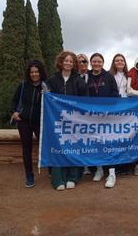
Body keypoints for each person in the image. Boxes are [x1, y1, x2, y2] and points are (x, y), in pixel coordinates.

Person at [47, 51, 89, 191]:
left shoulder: (79, 80)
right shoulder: (52, 80)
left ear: (74, 64)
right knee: (59, 147)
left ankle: (73, 177)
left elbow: (85, 100)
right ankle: (58, 179)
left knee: (74, 147)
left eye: (71, 61)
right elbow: (48, 99)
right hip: (57, 120)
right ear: (61, 62)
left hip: (75, 121)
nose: (68, 63)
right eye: (66, 60)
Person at [11, 60, 47, 188]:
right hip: (24, 121)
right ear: (28, 73)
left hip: (40, 122)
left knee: (45, 146)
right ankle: (29, 175)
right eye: (32, 72)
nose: (34, 74)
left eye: (36, 71)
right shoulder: (23, 85)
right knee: (27, 148)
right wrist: (14, 112)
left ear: (40, 72)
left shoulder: (45, 86)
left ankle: (51, 170)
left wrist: (47, 94)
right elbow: (14, 101)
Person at [87, 52, 119, 188]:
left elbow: (115, 94)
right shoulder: (86, 77)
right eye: (94, 61)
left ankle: (112, 173)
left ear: (103, 63)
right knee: (95, 143)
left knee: (108, 143)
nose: (96, 64)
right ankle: (99, 169)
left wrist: (107, 108)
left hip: (107, 116)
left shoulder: (109, 76)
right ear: (91, 62)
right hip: (91, 116)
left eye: (99, 61)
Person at [77, 53, 91, 176]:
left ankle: (90, 164)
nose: (82, 64)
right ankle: (82, 165)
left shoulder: (92, 75)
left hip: (91, 113)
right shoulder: (73, 77)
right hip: (77, 113)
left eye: (84, 61)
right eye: (80, 61)